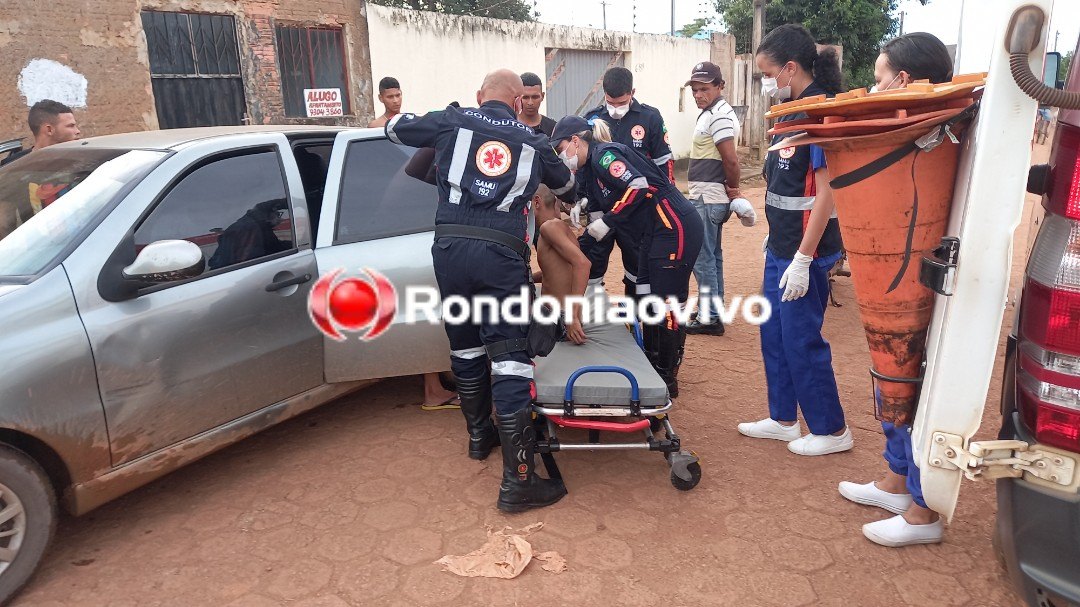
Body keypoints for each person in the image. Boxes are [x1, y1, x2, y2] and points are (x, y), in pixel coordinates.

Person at [387, 69, 576, 513]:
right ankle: (518, 481)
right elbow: (567, 186)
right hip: (500, 255)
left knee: (465, 343)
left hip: (449, 251)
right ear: (517, 102)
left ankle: (479, 437)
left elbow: (394, 128)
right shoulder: (533, 140)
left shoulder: (453, 120)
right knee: (511, 359)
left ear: (479, 96)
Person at [838, 31, 955, 548]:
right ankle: (897, 481)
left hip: (924, 277)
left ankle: (923, 512)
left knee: (917, 383)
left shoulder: (942, 132)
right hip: (896, 267)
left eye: (879, 77)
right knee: (890, 372)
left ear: (903, 79)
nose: (873, 87)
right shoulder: (917, 132)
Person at [736, 24, 852, 456]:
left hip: (807, 250)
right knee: (774, 334)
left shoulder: (820, 114)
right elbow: (785, 185)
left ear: (789, 68)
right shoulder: (788, 112)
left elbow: (827, 192)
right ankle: (783, 419)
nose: (766, 83)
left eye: (768, 74)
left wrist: (804, 258)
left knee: (802, 338)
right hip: (781, 245)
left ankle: (832, 430)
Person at [551, 115, 702, 397]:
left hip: (673, 226)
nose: (562, 157)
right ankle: (653, 361)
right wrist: (581, 235)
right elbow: (597, 223)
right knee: (646, 295)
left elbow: (638, 186)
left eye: (561, 149)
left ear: (575, 141)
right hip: (651, 234)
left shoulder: (604, 155)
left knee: (666, 303)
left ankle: (666, 375)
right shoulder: (589, 171)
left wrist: (607, 221)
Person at [578, 67, 675, 298]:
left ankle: (636, 313)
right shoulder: (592, 119)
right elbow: (584, 164)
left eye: (621, 102)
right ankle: (594, 311)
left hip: (637, 208)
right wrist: (581, 197)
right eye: (610, 102)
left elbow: (664, 163)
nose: (615, 108)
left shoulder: (650, 118)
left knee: (637, 266)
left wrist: (665, 200)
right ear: (603, 94)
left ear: (633, 92)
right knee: (592, 264)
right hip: (601, 209)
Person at [683, 61, 756, 337]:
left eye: (704, 89)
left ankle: (710, 317)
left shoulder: (719, 116)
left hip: (708, 198)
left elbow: (731, 161)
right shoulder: (713, 113)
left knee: (703, 258)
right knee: (712, 257)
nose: (698, 94)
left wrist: (734, 189)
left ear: (720, 86)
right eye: (695, 89)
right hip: (708, 196)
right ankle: (712, 311)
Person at [530, 184, 589, 345]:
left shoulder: (550, 227)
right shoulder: (554, 226)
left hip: (559, 321)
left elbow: (583, 264)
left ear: (537, 202)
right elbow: (556, 272)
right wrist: (529, 279)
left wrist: (572, 317)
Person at [0, 99, 81, 167]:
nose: (78, 131)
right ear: (49, 130)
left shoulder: (81, 162)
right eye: (71, 126)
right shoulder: (11, 166)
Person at [518, 72, 557, 137]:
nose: (530, 103)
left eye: (535, 97)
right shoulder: (509, 127)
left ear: (542, 96)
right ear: (518, 97)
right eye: (525, 97)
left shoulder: (553, 129)